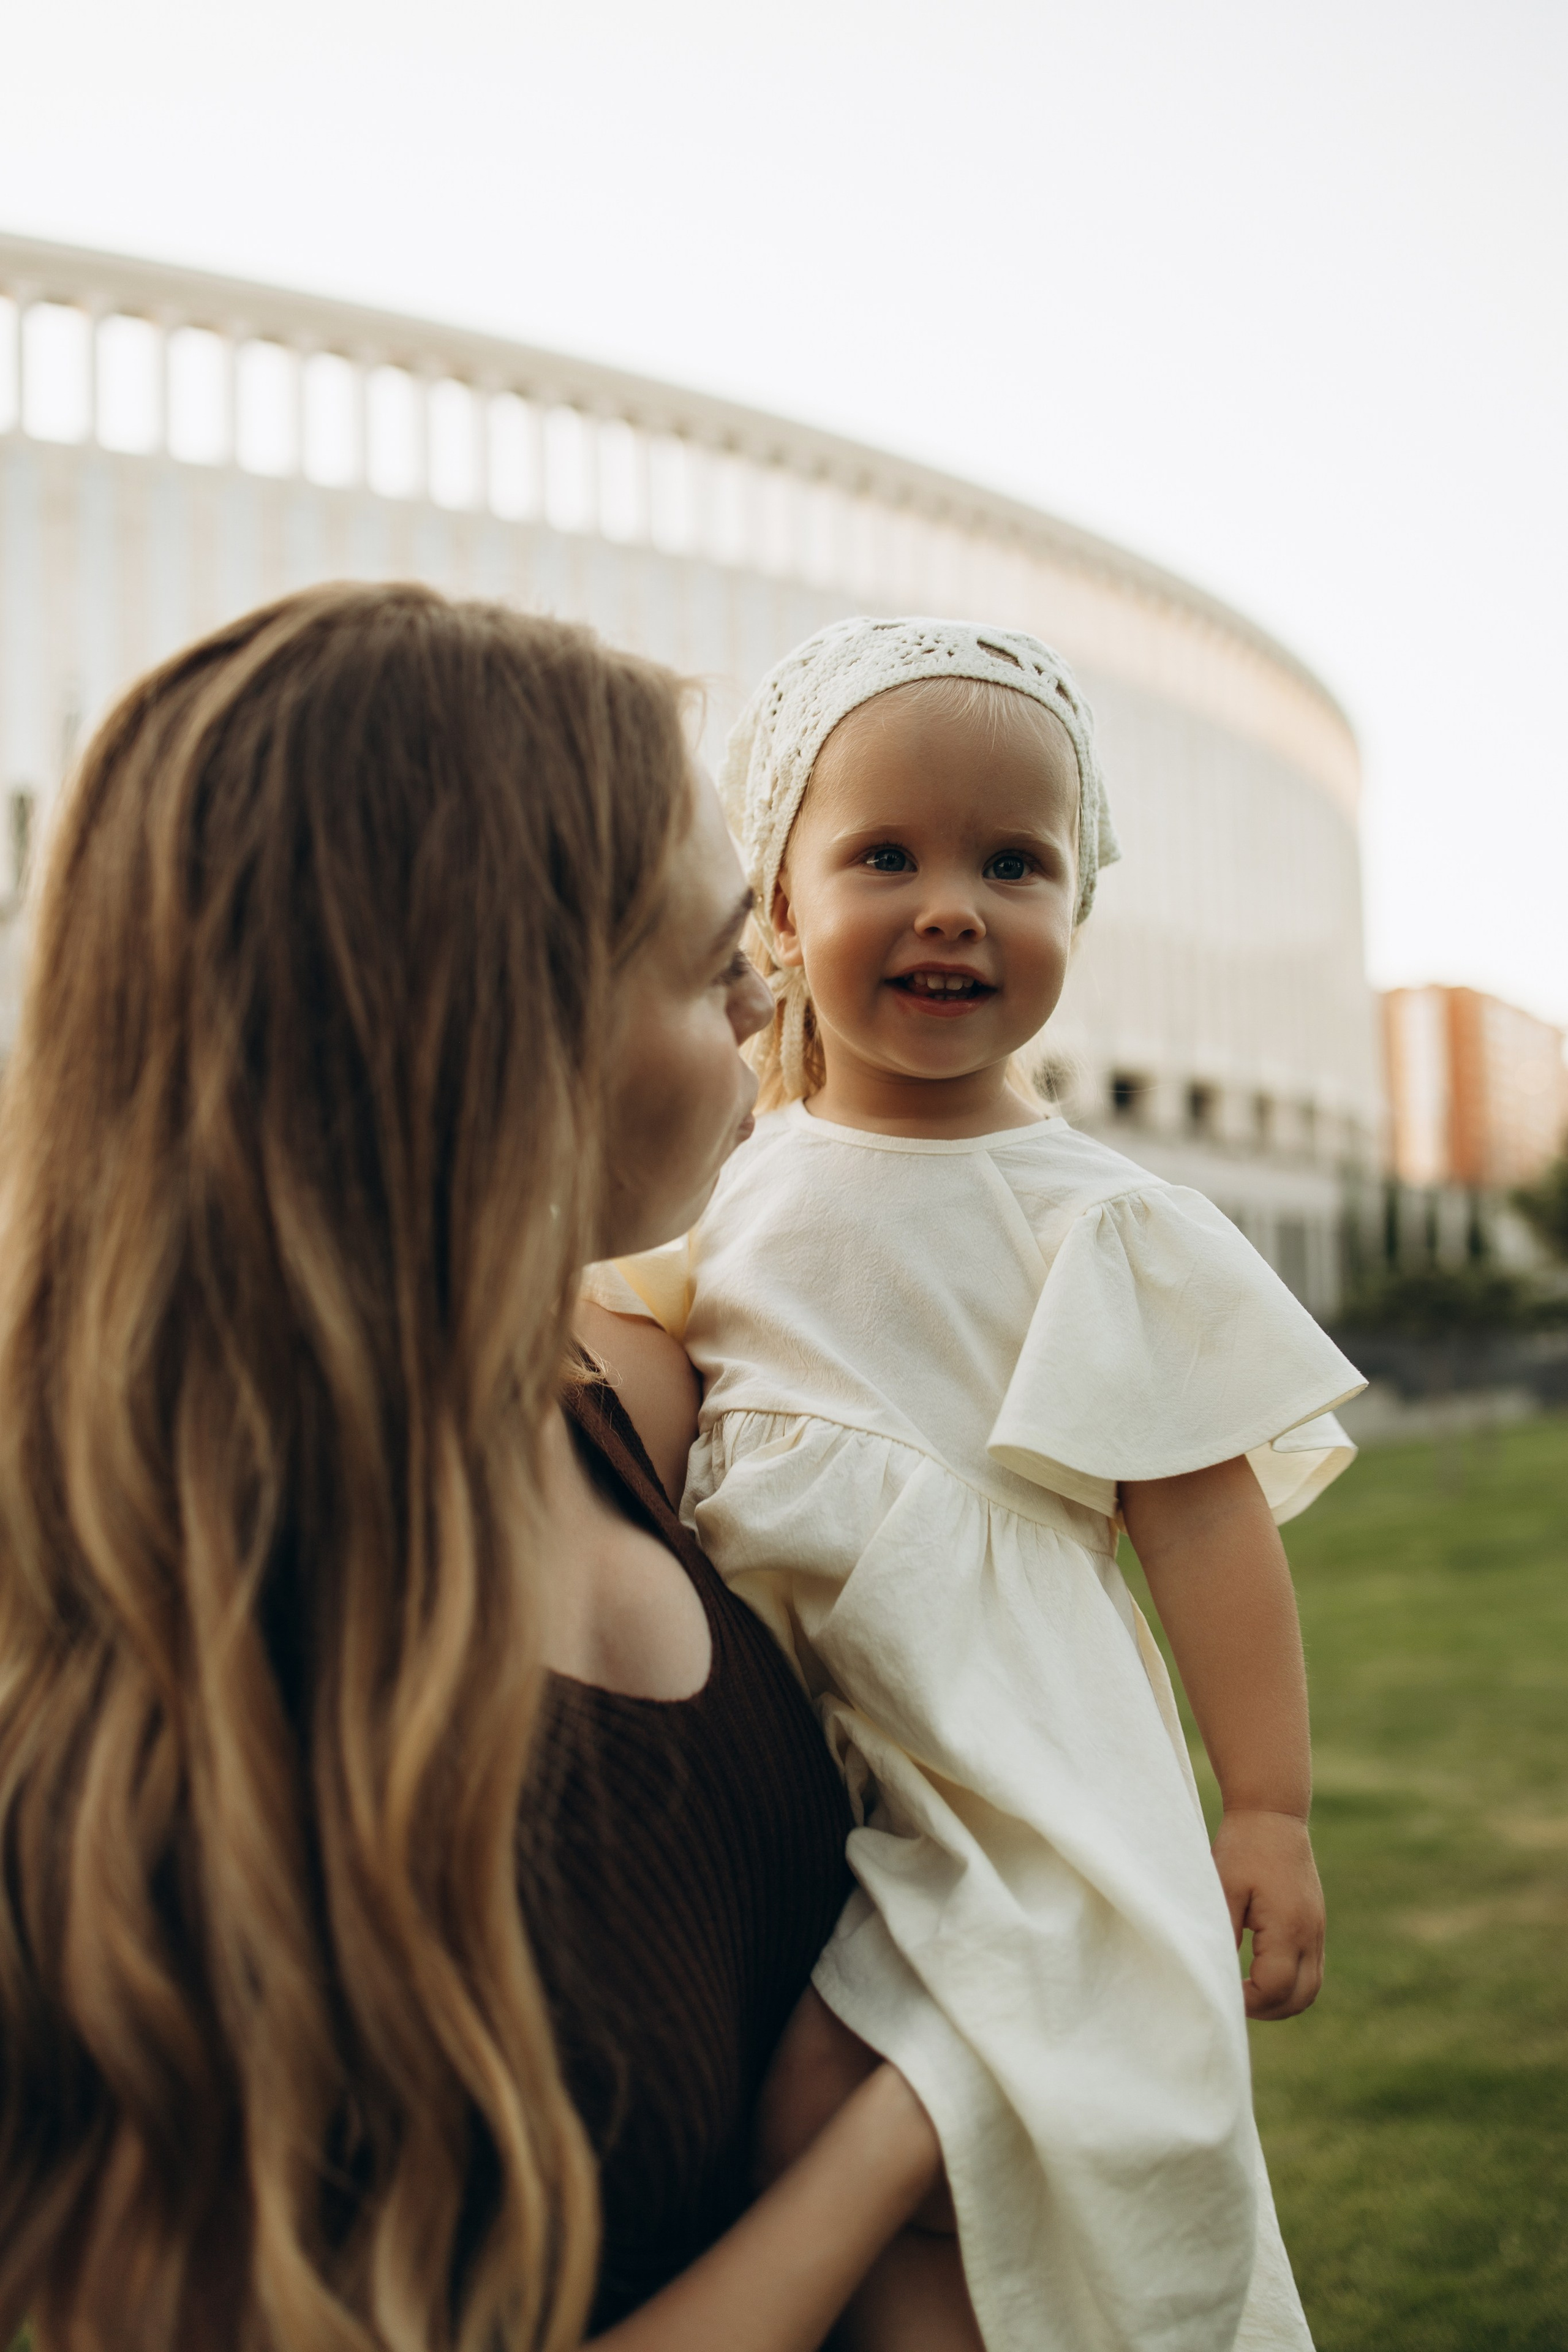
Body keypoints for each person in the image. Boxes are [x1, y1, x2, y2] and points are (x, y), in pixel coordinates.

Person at [0, 582, 954, 2352]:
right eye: (701, 964)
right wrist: (904, 2126)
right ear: (482, 1037)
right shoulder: (126, 1759)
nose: (769, 1001)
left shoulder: (640, 1398)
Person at [586, 615, 1368, 2352]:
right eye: (888, 856)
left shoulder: (1091, 1213)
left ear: (1073, 915)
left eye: (1016, 863)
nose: (955, 904)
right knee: (811, 2115)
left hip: (1006, 1757)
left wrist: (1266, 1805)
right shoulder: (741, 1177)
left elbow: (1204, 1521)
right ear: (777, 918)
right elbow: (619, 1347)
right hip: (810, 1759)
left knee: (848, 2108)